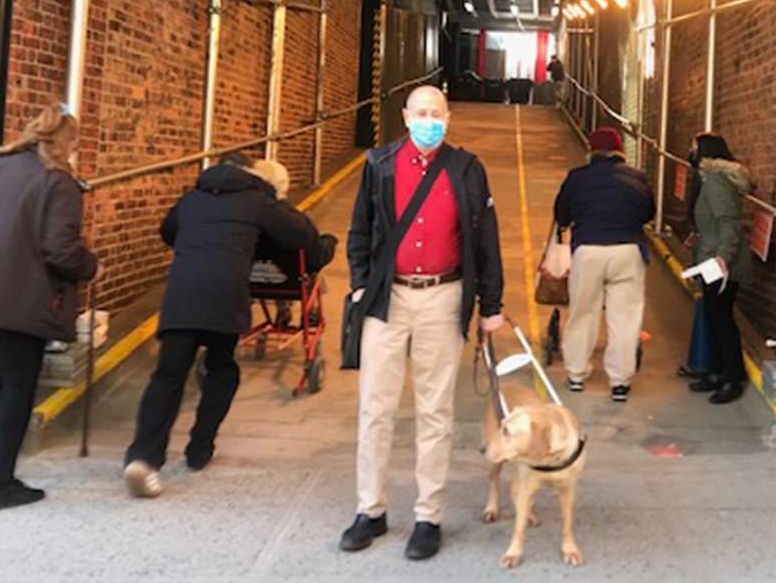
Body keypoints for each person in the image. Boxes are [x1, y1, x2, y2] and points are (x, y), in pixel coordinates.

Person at [341, 85, 504, 561]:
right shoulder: (379, 165)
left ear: (448, 118)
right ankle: (369, 509)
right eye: (421, 113)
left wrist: (491, 306)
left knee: (435, 411)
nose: (429, 120)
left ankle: (427, 514)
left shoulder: (467, 170)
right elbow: (359, 228)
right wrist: (358, 283)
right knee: (376, 408)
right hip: (387, 299)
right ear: (406, 117)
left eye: (437, 113)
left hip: (444, 296)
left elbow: (485, 241)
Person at [123, 152, 317, 498]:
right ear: (249, 174)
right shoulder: (257, 201)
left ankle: (143, 458)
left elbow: (167, 232)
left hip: (181, 296)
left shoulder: (191, 199)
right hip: (224, 296)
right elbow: (300, 234)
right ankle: (199, 448)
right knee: (222, 369)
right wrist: (274, 200)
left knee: (167, 376)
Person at [0, 107, 97, 511]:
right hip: (18, 299)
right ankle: (0, 485)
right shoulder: (58, 183)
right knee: (17, 387)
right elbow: (59, 249)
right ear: (65, 141)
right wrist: (90, 264)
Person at [553, 127, 654, 402]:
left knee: (583, 312)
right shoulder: (638, 178)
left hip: (588, 250)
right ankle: (620, 382)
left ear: (592, 151)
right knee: (625, 318)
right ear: (620, 151)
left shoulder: (577, 177)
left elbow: (561, 213)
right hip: (627, 251)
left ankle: (576, 374)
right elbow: (648, 212)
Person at [684, 133, 753, 405]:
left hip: (720, 263)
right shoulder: (711, 179)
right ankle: (720, 371)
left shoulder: (715, 182)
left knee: (722, 320)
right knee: (715, 317)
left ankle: (733, 378)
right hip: (712, 257)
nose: (690, 152)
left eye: (694, 148)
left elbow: (728, 222)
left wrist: (723, 257)